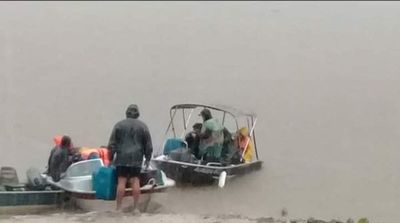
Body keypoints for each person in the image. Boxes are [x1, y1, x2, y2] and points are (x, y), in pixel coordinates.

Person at [108, 104, 153, 213]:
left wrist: (110, 158)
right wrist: (147, 158)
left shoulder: (119, 125)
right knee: (135, 181)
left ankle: (118, 208)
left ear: (126, 113)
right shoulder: (143, 126)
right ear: (137, 114)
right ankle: (136, 208)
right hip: (136, 158)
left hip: (122, 157)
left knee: (121, 181)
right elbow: (148, 145)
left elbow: (112, 144)